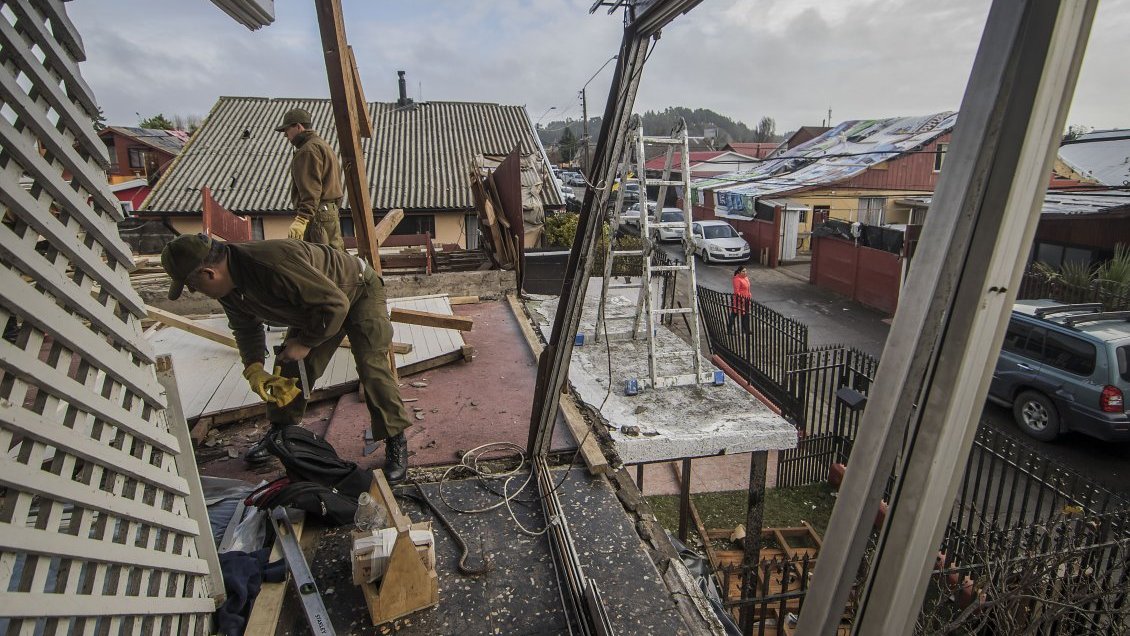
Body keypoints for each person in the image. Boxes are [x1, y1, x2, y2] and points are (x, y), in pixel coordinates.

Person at [161, 234, 412, 483]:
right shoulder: (227, 289)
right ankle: (281, 432)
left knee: (371, 366)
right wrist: (254, 368)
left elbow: (336, 305)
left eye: (193, 286)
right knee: (290, 365)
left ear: (208, 273)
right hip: (319, 306)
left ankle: (395, 438)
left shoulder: (272, 264)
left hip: (358, 291)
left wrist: (305, 343)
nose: (196, 291)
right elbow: (246, 329)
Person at [275, 108, 345, 251]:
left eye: (287, 130)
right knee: (336, 258)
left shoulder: (308, 150)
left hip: (317, 214)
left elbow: (312, 190)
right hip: (329, 211)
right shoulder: (322, 145)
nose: (285, 135)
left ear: (298, 126)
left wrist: (302, 218)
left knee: (320, 259)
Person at [729, 265, 752, 333]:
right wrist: (741, 299)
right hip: (739, 301)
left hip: (746, 300)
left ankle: (745, 329)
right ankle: (729, 330)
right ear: (739, 272)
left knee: (745, 315)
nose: (745, 272)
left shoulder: (746, 278)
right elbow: (737, 291)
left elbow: (748, 288)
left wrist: (749, 295)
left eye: (745, 271)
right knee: (734, 314)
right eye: (743, 271)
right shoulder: (737, 279)